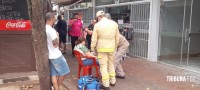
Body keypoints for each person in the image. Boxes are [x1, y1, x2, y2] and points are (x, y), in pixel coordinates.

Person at [91, 11, 119, 90]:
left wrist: (92, 49)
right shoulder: (114, 24)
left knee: (103, 66)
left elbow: (94, 39)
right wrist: (115, 47)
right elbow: (117, 38)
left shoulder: (97, 25)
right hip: (112, 48)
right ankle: (113, 81)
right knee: (111, 64)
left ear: (99, 17)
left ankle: (106, 85)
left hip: (101, 48)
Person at [45, 12, 70, 90]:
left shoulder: (44, 28)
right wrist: (58, 36)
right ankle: (54, 86)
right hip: (56, 55)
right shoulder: (52, 30)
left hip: (50, 55)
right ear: (52, 19)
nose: (55, 21)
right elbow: (55, 45)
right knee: (65, 72)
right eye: (54, 19)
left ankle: (55, 88)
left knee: (54, 74)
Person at [105, 13, 130, 79]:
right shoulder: (110, 26)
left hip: (123, 45)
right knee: (116, 59)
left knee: (114, 60)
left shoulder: (111, 26)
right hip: (119, 44)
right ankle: (121, 74)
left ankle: (110, 77)